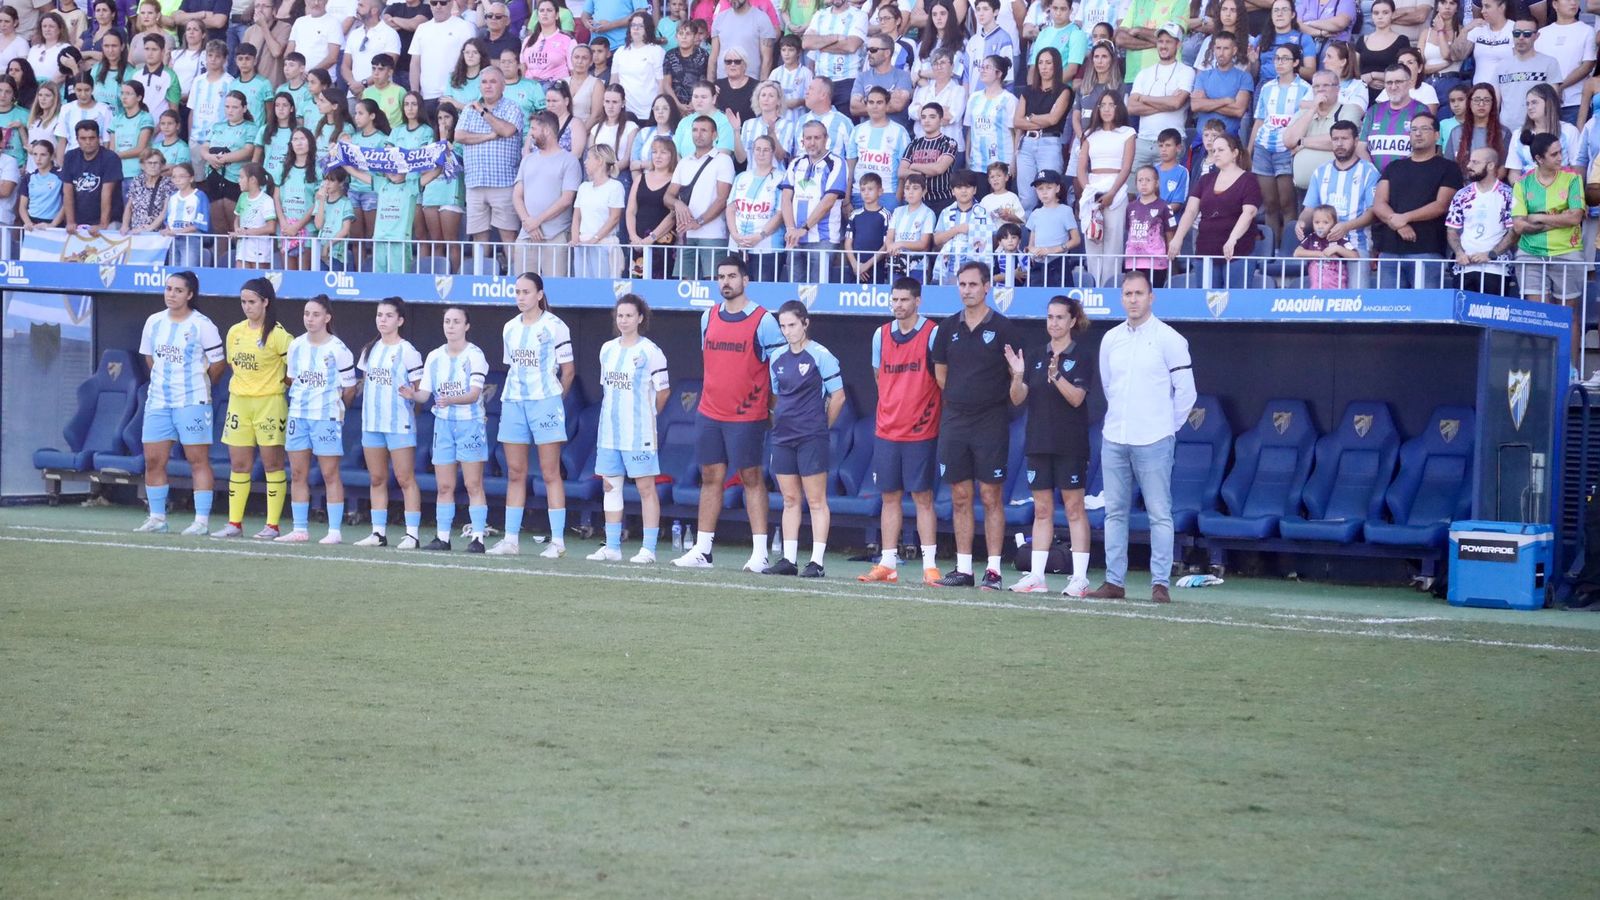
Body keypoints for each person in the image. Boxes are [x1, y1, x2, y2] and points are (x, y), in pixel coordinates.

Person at [1089, 270, 1195, 605]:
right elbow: (1109, 385)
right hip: (1115, 437)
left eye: (1139, 293)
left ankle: (1160, 583)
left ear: (1151, 297)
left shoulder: (1170, 339)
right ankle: (1114, 581)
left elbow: (1187, 393)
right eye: (1128, 294)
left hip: (1155, 439)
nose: (1133, 299)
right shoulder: (1111, 339)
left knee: (1159, 513)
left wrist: (1165, 427)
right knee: (1114, 512)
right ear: (1121, 298)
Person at [672, 256, 784, 572]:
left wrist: (771, 408)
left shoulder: (764, 320)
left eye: (732, 276)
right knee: (710, 477)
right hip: (709, 412)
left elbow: (778, 370)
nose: (726, 282)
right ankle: (703, 550)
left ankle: (760, 553)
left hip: (747, 415)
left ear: (745, 280)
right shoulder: (708, 316)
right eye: (721, 277)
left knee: (751, 478)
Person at [929, 261, 1018, 590]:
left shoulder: (1005, 328)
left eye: (973, 284)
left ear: (986, 287)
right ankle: (963, 568)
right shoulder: (947, 328)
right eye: (962, 284)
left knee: (991, 495)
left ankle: (993, 570)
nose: (967, 290)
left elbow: (1015, 378)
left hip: (991, 421)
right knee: (960, 495)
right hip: (955, 420)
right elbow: (941, 375)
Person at [1004, 294, 1095, 596]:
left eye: (1060, 317)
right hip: (1038, 442)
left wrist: (1056, 376)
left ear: (1072, 321)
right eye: (1050, 317)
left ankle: (1079, 578)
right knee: (1042, 510)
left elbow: (1077, 398)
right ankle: (1036, 576)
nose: (1053, 323)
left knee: (1074, 509)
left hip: (1070, 444)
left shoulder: (1082, 356)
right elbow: (1018, 398)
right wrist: (1018, 376)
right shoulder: (1034, 355)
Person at [857, 277, 943, 585]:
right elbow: (879, 377)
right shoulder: (880, 335)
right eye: (894, 299)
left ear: (918, 301)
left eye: (904, 300)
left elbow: (942, 380)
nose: (898, 305)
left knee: (923, 497)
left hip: (921, 430)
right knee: (889, 497)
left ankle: (930, 566)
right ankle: (888, 563)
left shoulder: (932, 333)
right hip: (887, 430)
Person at [487, 273, 575, 558]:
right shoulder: (509, 328)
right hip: (514, 402)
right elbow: (512, 366)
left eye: (526, 292)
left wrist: (554, 400)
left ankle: (558, 542)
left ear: (539, 294)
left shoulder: (555, 326)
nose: (520, 297)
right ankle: (510, 540)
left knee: (550, 472)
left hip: (545, 403)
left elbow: (568, 371)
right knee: (515, 472)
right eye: (517, 292)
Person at [134, 272, 225, 536]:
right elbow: (150, 358)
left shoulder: (202, 325)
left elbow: (218, 364)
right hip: (158, 401)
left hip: (192, 401)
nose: (171, 294)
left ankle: (201, 521)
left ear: (190, 295)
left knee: (197, 460)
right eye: (168, 289)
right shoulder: (153, 322)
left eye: (178, 290)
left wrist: (201, 385)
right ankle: (157, 518)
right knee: (153, 460)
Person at [760, 300, 844, 578]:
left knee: (816, 500)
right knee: (789, 499)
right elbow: (777, 395)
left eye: (792, 325)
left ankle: (816, 563)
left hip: (811, 437)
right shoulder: (776, 357)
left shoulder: (821, 355)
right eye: (783, 326)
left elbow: (838, 396)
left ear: (805, 323)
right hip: (783, 437)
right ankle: (789, 559)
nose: (787, 331)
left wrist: (821, 426)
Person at [588, 294, 671, 564]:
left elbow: (663, 392)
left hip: (639, 434)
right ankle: (612, 546)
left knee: (646, 488)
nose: (623, 320)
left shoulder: (651, 352)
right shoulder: (607, 350)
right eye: (620, 315)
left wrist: (648, 416)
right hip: (609, 433)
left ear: (640, 318)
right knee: (610, 486)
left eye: (629, 315)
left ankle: (648, 549)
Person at [403, 305, 490, 553]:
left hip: (470, 424)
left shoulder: (475, 355)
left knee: (473, 484)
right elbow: (425, 394)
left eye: (456, 322)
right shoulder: (434, 356)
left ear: (467, 326)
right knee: (444, 486)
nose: (450, 326)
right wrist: (412, 394)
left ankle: (478, 538)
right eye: (447, 321)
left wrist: (450, 400)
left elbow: (474, 394)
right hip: (442, 425)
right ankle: (443, 537)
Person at [211, 276, 290, 541]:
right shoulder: (235, 332)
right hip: (239, 402)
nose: (247, 307)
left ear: (265, 302)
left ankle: (272, 525)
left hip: (270, 403)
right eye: (243, 302)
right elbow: (233, 365)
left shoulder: (279, 335)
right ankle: (234, 523)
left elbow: (293, 370)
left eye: (252, 302)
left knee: (272, 464)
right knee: (239, 464)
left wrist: (272, 383)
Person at [277, 296, 358, 545]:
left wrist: (335, 408)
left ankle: (334, 531)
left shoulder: (339, 349)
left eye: (315, 314)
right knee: (298, 473)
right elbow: (293, 379)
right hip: (298, 415)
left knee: (329, 473)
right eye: (306, 314)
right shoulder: (296, 345)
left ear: (327, 318)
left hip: (326, 417)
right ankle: (299, 529)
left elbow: (350, 389)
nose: (309, 319)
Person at [354, 297, 426, 550]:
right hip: (372, 424)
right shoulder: (369, 349)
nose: (382, 320)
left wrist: (411, 403)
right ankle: (378, 533)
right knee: (377, 478)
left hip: (399, 424)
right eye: (379, 315)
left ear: (400, 320)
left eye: (388, 316)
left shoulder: (408, 351)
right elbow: (367, 383)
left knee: (405, 478)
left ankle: (412, 535)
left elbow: (419, 392)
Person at [1371, 111, 1460, 288]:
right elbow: (1379, 203)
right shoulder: (1394, 166)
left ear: (1437, 135)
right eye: (1414, 129)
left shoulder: (1448, 168)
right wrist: (1399, 224)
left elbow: (1441, 205)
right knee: (1387, 304)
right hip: (1390, 251)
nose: (1418, 133)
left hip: (1427, 250)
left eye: (1424, 129)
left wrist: (1405, 218)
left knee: (1426, 305)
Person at [1168, 132, 1262, 287]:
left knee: (1237, 299)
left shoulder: (1249, 180)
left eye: (1221, 150)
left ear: (1235, 153)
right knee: (1206, 299)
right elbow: (1190, 211)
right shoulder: (1205, 180)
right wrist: (1178, 238)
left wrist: (1233, 239)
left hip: (1238, 251)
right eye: (1214, 151)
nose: (1215, 154)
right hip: (1206, 249)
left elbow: (1249, 212)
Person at [1511, 131, 1585, 316]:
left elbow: (1575, 218)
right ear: (1539, 159)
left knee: (1568, 317)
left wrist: (1537, 217)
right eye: (1554, 154)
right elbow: (1519, 226)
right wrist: (1561, 218)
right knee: (1539, 317)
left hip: (1567, 251)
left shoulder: (1573, 178)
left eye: (1561, 152)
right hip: (1531, 254)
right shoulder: (1522, 183)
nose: (1560, 157)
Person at [1296, 119, 1380, 282]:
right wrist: (1301, 222)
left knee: (1356, 295)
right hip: (1324, 247)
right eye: (1335, 139)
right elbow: (1309, 210)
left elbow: (1373, 213)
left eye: (1345, 138)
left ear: (1356, 141)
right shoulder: (1320, 172)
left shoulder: (1369, 172)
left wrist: (1346, 226)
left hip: (1357, 246)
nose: (1339, 143)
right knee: (1325, 294)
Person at [1249, 42, 1309, 242]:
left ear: (1296, 62)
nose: (1279, 62)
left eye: (1285, 58)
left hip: (1287, 149)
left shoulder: (1305, 89)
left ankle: (1288, 249)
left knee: (1287, 203)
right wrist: (1249, 149)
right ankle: (1271, 250)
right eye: (1276, 58)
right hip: (1263, 148)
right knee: (1269, 203)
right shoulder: (1267, 87)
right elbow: (1259, 120)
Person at [1076, 90, 1134, 286]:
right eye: (1103, 105)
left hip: (1116, 190)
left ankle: (1110, 287)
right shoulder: (1089, 134)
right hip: (1093, 190)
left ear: (1118, 108)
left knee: (1113, 243)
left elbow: (1126, 167)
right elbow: (1081, 168)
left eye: (1111, 105)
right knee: (1093, 240)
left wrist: (1111, 193)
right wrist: (1089, 191)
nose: (1107, 109)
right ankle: (1094, 287)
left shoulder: (1128, 133)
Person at [669, 114, 736, 280]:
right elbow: (668, 196)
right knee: (683, 284)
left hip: (713, 235)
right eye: (695, 130)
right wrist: (677, 203)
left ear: (714, 135)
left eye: (704, 130)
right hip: (686, 235)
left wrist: (698, 222)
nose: (698, 134)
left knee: (713, 282)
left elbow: (722, 199)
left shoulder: (723, 160)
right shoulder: (684, 162)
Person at [1444, 145, 1515, 296]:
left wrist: (1491, 254)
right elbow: (1451, 230)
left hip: (1496, 269)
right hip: (1464, 267)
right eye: (1470, 161)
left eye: (1475, 162)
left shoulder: (1508, 194)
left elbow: (1514, 231)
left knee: (1492, 311)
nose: (1469, 166)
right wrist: (1459, 253)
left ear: (1490, 165)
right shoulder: (1462, 194)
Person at [1127, 22, 1194, 174]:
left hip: (1171, 142)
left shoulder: (1186, 71)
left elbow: (1176, 103)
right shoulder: (1144, 73)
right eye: (1160, 41)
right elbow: (1131, 108)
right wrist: (1167, 102)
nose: (1163, 46)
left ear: (1178, 44)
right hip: (1143, 141)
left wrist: (1145, 98)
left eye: (1168, 41)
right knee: (1133, 187)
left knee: (1165, 187)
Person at [1015, 47, 1072, 214]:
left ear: (1056, 65)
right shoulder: (1028, 90)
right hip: (1026, 144)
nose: (1044, 67)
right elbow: (1017, 121)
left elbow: (1053, 119)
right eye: (1040, 63)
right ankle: (1027, 230)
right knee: (1026, 198)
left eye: (1048, 62)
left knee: (1050, 194)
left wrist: (1030, 118)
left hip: (1049, 143)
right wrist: (1041, 119)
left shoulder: (1064, 91)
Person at [727, 132, 785, 279]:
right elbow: (731, 208)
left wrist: (760, 236)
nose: (761, 153)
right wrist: (734, 235)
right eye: (757, 149)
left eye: (766, 150)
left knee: (763, 290)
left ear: (773, 152)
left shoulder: (781, 178)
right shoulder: (741, 177)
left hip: (767, 247)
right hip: (737, 245)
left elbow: (780, 214)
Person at [1491, 17, 1559, 132]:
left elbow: (1553, 101)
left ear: (1536, 36)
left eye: (1527, 34)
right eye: (1517, 33)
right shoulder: (1501, 66)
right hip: (1506, 131)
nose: (1521, 38)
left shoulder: (1550, 63)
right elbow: (1495, 102)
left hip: (1538, 130)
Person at [1359, 64, 1428, 174]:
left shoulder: (1421, 110)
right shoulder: (1373, 111)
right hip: (1375, 179)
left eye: (1398, 82)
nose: (1393, 87)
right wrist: (1374, 175)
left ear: (1410, 83)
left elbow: (1425, 149)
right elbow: (1360, 147)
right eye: (1389, 83)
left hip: (1408, 177)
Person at [1535, 0, 1594, 126]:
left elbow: (1587, 65)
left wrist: (1560, 87)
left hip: (1576, 102)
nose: (1573, 3)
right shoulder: (1542, 33)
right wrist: (1551, 91)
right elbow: (1536, 65)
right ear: (1555, 4)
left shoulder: (1587, 30)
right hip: (1545, 104)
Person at [803, 0, 868, 113]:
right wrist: (835, 38)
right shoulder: (820, 15)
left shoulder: (859, 15)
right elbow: (806, 43)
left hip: (847, 81)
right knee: (819, 121)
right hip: (822, 80)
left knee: (845, 121)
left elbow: (851, 46)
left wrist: (820, 45)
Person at [1189, 28, 1251, 146]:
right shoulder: (1203, 76)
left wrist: (1207, 103)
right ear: (1213, 49)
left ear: (1234, 50)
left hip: (1229, 142)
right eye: (1218, 48)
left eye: (1226, 48)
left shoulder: (1244, 77)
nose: (1221, 53)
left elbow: (1238, 111)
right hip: (1202, 141)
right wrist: (1225, 101)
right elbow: (1195, 105)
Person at [627, 134, 678, 278]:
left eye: (663, 152)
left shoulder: (676, 180)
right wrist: (633, 236)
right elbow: (631, 211)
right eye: (654, 152)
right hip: (638, 241)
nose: (658, 156)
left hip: (663, 241)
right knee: (636, 282)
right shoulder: (640, 178)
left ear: (672, 155)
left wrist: (652, 237)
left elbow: (673, 214)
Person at [572, 144, 626, 278]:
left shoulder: (615, 186)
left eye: (589, 158)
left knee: (605, 285)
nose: (585, 162)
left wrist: (594, 239)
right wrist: (575, 239)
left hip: (604, 244)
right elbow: (577, 216)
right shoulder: (584, 187)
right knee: (582, 284)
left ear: (599, 161)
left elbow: (614, 218)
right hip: (583, 244)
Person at [409, 0, 474, 109]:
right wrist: (415, 94)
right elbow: (415, 63)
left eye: (443, 2)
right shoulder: (421, 29)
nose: (438, 6)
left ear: (451, 3)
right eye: (434, 2)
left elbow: (472, 62)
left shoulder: (465, 27)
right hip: (427, 96)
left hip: (456, 95)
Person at [61, 120, 121, 233]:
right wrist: (70, 221)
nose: (88, 142)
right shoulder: (70, 156)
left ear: (98, 138)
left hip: (110, 221)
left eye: (92, 138)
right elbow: (67, 192)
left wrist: (103, 224)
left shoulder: (110, 158)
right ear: (77, 139)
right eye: (83, 138)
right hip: (79, 220)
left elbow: (107, 193)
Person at [900, 102, 957, 215]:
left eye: (932, 117)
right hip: (917, 201)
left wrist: (914, 166)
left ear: (941, 120)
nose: (926, 120)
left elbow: (939, 169)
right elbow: (901, 172)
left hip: (942, 200)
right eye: (923, 117)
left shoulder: (949, 143)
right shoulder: (914, 144)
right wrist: (928, 171)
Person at [850, 33, 912, 130]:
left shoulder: (903, 76)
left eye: (873, 50)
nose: (868, 53)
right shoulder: (862, 77)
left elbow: (897, 105)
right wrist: (887, 101)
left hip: (894, 134)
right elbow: (854, 108)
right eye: (867, 49)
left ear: (887, 53)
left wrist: (866, 102)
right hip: (867, 133)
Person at [1446, 83, 1510, 179]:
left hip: (1491, 184)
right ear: (1469, 103)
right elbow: (1449, 166)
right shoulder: (1456, 132)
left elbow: (1503, 168)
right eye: (1476, 100)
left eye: (1486, 100)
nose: (1481, 104)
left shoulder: (1504, 133)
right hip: (1462, 185)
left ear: (1493, 104)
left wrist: (1483, 185)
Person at [614, 12, 668, 122]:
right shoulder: (620, 52)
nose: (636, 28)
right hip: (625, 113)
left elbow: (661, 85)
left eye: (640, 26)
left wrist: (658, 110)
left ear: (647, 29)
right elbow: (614, 82)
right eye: (633, 25)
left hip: (648, 112)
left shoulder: (657, 51)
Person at [1292, 202, 1358, 286]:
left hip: (1337, 287)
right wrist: (1321, 254)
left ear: (1334, 224)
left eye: (1325, 222)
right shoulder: (1311, 238)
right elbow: (1297, 253)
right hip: (1317, 286)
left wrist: (1337, 248)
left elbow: (1355, 256)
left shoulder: (1340, 239)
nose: (1320, 226)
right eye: (1317, 222)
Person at [712, 0, 777, 83]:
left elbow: (767, 59)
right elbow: (713, 56)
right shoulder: (719, 19)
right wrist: (710, 86)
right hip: (722, 81)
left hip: (751, 81)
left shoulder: (762, 18)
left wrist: (762, 85)